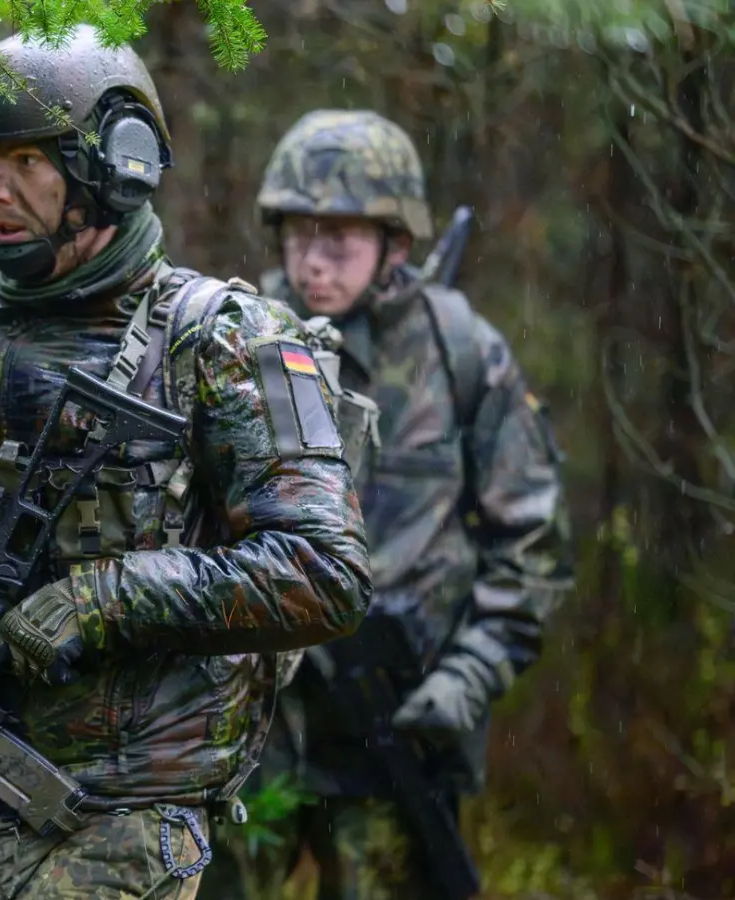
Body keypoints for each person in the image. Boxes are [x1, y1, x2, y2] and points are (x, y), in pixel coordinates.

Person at [0, 26, 372, 900]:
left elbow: (323, 574)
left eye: (20, 161)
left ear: (109, 167)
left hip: (118, 830)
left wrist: (103, 599)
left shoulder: (220, 339)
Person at [198, 108, 575, 899]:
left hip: (394, 734)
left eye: (340, 237)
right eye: (298, 233)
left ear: (397, 243)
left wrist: (465, 679)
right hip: (249, 732)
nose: (314, 261)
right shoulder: (234, 335)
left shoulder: (460, 353)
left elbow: (533, 544)